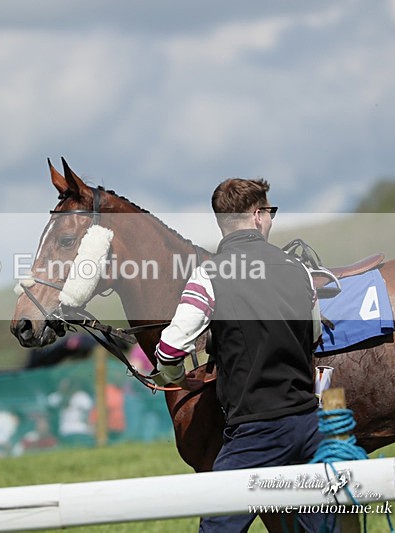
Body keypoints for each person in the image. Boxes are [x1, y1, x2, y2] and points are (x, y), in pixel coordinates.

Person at [154, 178, 329, 532]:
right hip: (310, 427)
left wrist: (174, 379)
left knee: (218, 528)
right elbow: (315, 335)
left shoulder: (208, 276)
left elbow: (170, 349)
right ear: (257, 214)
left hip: (254, 433)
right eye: (270, 212)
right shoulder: (300, 271)